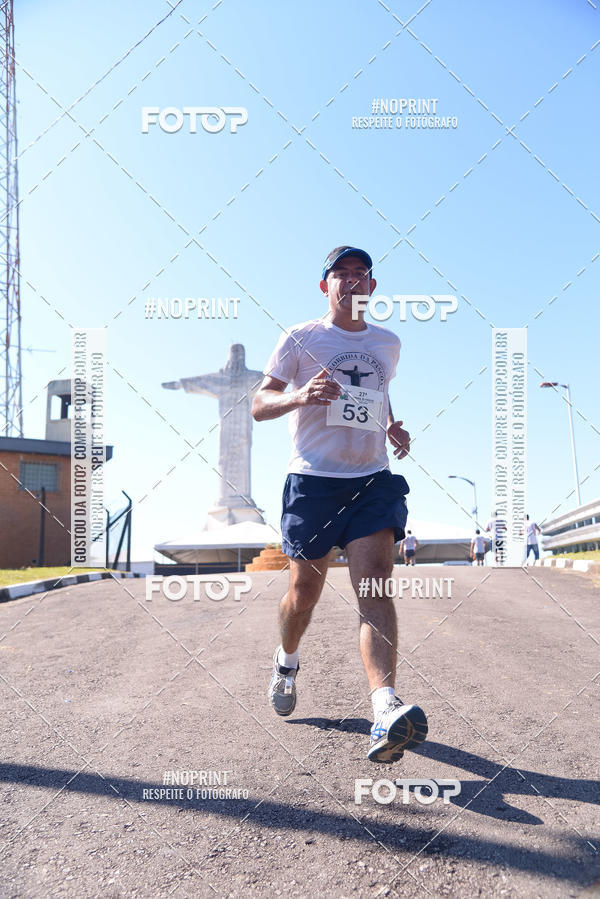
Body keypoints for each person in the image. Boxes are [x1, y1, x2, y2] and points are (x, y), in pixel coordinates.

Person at [252, 246, 428, 763]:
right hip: (313, 483)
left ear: (372, 288)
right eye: (340, 275)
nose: (351, 282)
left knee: (374, 586)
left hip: (372, 480)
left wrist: (391, 424)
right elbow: (262, 404)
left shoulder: (388, 343)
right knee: (303, 593)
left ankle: (384, 710)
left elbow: (376, 394)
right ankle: (287, 662)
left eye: (360, 275)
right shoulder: (300, 338)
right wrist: (300, 396)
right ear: (325, 287)